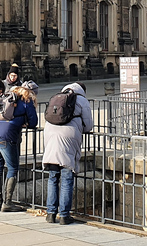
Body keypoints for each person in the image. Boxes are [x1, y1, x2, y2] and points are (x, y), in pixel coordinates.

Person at [42, 82, 93, 225]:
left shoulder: (56, 98)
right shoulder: (81, 100)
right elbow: (88, 126)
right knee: (66, 178)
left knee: (52, 177)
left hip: (50, 135)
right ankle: (64, 215)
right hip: (68, 138)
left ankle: (50, 214)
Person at [0, 81, 39, 211]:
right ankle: (7, 202)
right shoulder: (26, 101)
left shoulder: (6, 98)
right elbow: (33, 121)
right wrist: (25, 123)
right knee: (12, 168)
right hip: (7, 135)